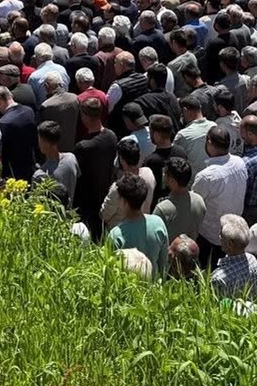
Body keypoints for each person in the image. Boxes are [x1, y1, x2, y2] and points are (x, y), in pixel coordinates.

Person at [192, 127, 248, 268]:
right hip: (235, 230)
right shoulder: (240, 162)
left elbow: (194, 205)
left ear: (209, 143)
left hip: (211, 237)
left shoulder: (206, 176)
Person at [106, 173, 170, 278]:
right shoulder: (158, 223)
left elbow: (110, 274)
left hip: (129, 291)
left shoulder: (116, 235)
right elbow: (164, 264)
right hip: (154, 288)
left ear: (124, 201)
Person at [74, 96, 119, 240]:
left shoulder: (83, 146)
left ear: (84, 116)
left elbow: (78, 176)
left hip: (88, 201)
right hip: (105, 195)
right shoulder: (112, 136)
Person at [152, 157, 206, 242]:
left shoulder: (162, 209)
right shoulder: (199, 201)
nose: (163, 175)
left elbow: (154, 235)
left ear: (173, 181)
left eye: (165, 174)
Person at [211, 214, 257, 298]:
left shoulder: (218, 278)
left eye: (221, 234)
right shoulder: (252, 259)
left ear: (230, 244)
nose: (219, 237)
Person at [35, 121, 79, 205]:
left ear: (46, 143)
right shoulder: (71, 158)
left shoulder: (40, 175)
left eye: (39, 139)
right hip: (71, 211)